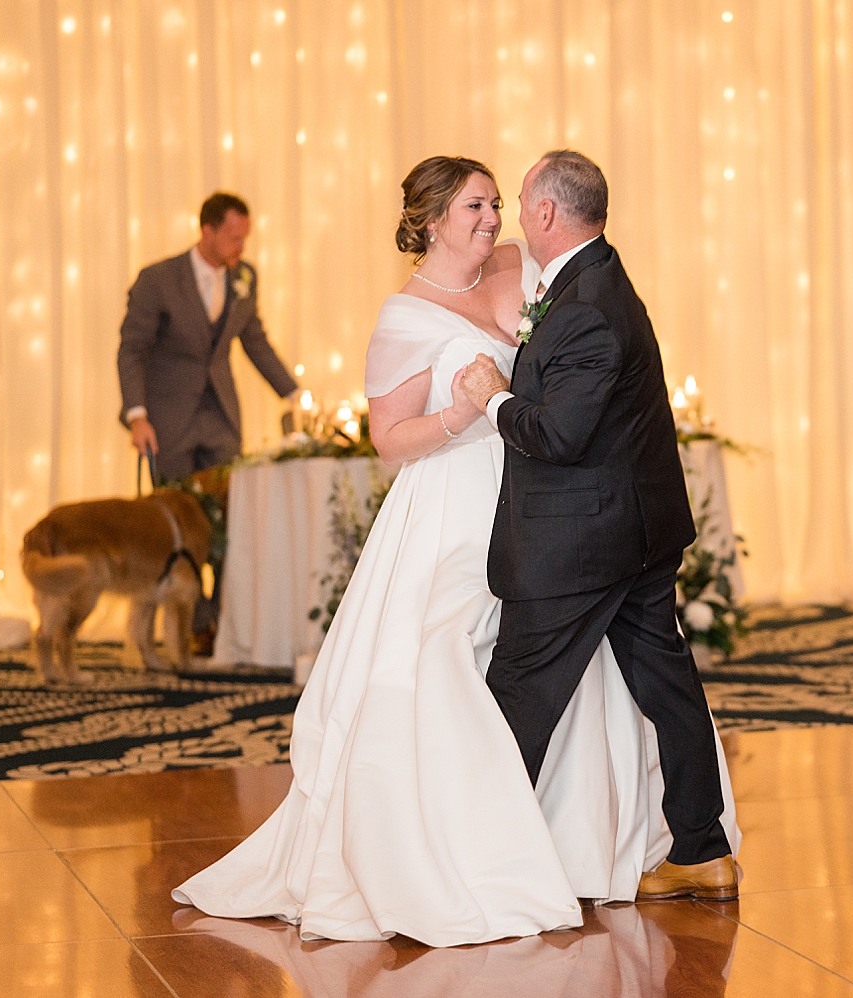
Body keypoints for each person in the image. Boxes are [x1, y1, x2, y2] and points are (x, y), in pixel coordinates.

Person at [171, 156, 739, 947]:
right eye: (474, 206)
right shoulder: (403, 315)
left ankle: (555, 850)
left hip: (554, 505)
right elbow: (387, 440)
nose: (491, 219)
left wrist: (496, 401)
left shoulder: (526, 266)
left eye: (498, 203)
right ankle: (500, 854)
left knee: (545, 685)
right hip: (466, 503)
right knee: (463, 665)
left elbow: (571, 375)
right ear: (432, 219)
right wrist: (462, 418)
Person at [460, 151, 738, 901]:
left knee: (516, 693)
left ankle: (482, 870)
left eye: (520, 203)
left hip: (580, 544)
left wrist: (492, 395)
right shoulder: (598, 279)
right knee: (666, 684)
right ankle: (703, 851)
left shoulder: (582, 304)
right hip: (634, 533)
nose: (516, 216)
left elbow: (559, 436)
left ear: (548, 214)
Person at [117, 191, 298, 482]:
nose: (241, 247)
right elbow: (132, 351)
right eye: (234, 238)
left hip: (221, 419)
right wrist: (137, 416)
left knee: (227, 506)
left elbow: (255, 341)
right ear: (207, 231)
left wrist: (294, 395)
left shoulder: (244, 277)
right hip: (170, 421)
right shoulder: (157, 280)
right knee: (176, 513)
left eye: (244, 239)